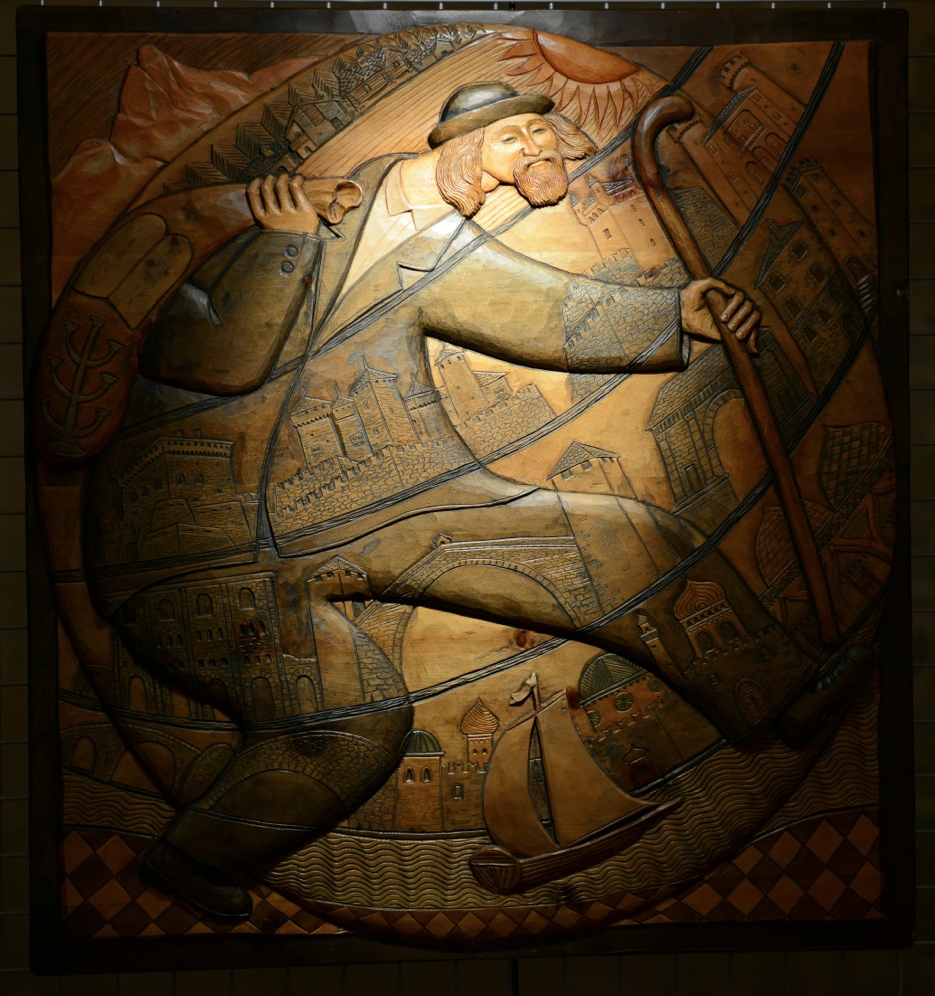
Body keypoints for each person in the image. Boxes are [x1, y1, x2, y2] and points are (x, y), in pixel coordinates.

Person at [81, 83, 870, 919]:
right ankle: (197, 856)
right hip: (195, 538)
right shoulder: (313, 213)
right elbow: (208, 358)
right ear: (466, 140)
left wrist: (672, 315)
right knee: (356, 723)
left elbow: (542, 309)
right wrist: (286, 245)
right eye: (523, 138)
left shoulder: (437, 240)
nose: (541, 155)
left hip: (375, 500)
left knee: (619, 540)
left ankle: (784, 694)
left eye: (549, 143)